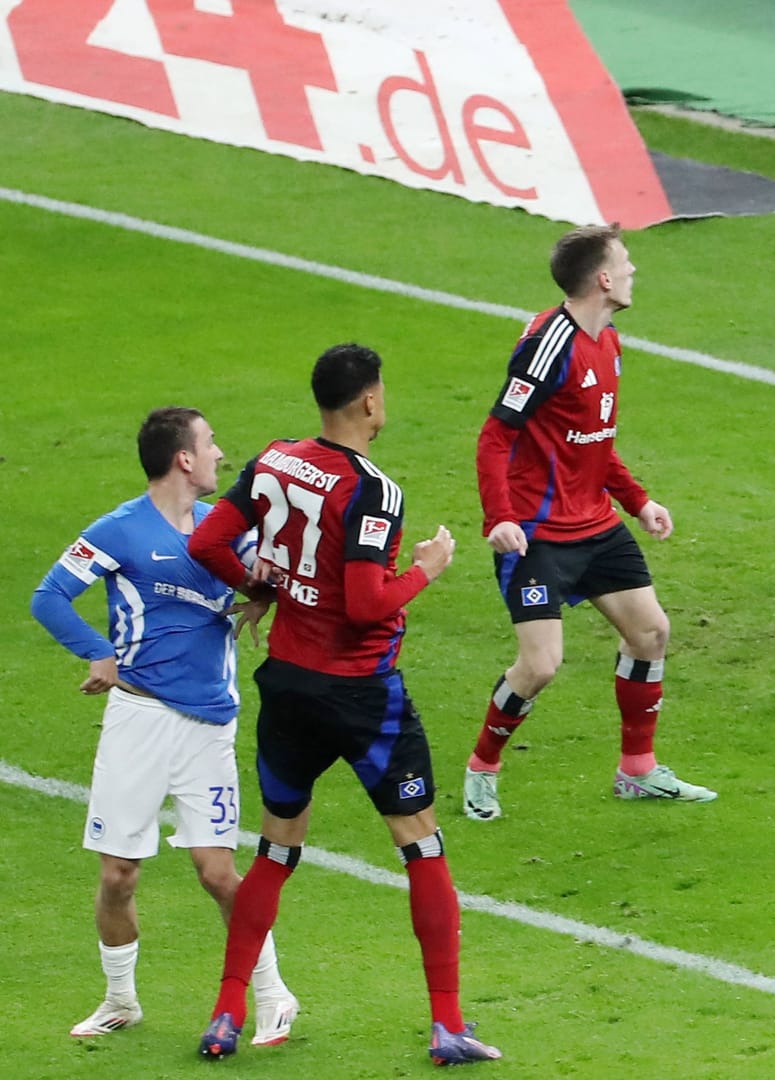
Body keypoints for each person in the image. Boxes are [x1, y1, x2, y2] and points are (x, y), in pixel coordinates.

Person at [187, 344, 499, 1064]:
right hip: (362, 695)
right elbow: (364, 605)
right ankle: (448, 1024)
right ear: (367, 402)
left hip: (288, 686)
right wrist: (426, 570)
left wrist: (258, 584)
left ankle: (226, 1014)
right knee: (421, 844)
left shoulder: (272, 461)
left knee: (273, 852)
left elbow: (209, 540)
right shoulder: (373, 490)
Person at [29, 407, 298, 1044]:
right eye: (209, 444)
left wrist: (266, 591)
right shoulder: (119, 530)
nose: (219, 454)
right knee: (118, 873)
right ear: (183, 458)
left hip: (209, 725)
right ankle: (121, 999)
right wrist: (97, 651)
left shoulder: (222, 528)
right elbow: (49, 595)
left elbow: (273, 578)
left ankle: (273, 993)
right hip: (139, 718)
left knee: (216, 871)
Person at [462, 223, 714, 822]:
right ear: (603, 279)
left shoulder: (610, 342)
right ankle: (483, 768)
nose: (632, 271)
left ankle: (638, 771)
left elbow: (593, 442)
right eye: (625, 263)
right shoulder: (550, 345)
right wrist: (499, 517)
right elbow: (496, 436)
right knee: (541, 665)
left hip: (594, 525)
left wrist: (638, 501)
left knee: (651, 632)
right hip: (538, 532)